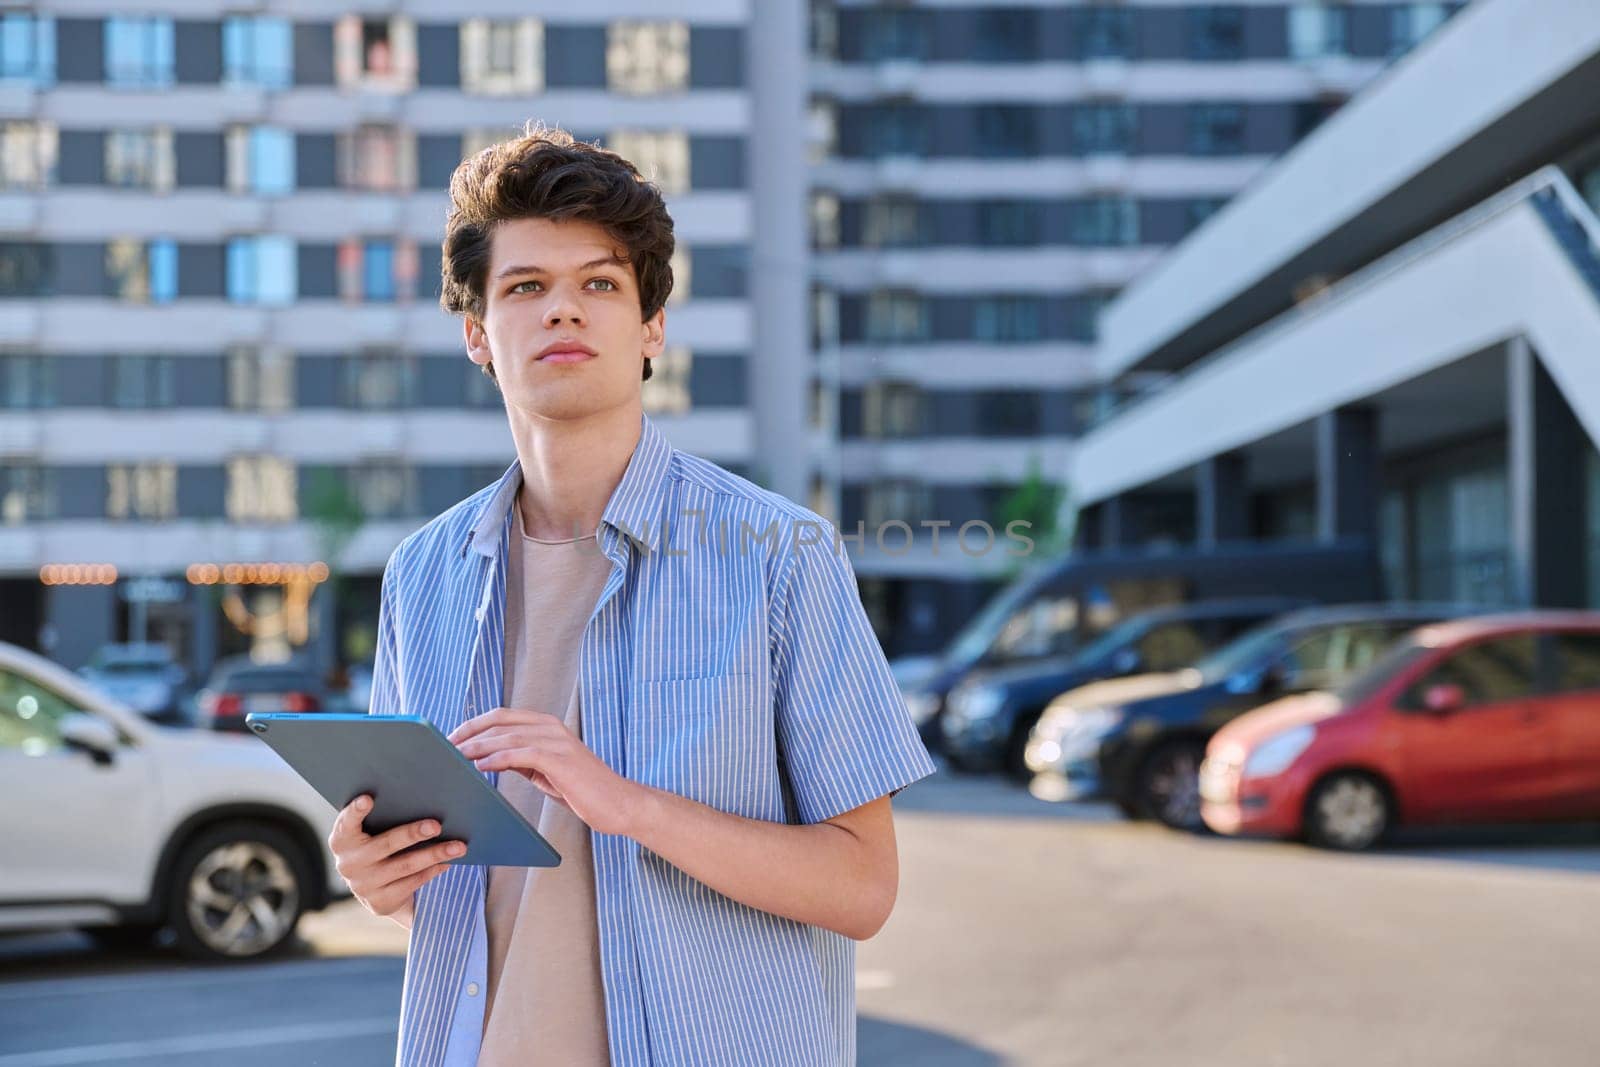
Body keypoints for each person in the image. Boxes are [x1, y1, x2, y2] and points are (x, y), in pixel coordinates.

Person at [326, 124, 936, 1066]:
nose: (563, 311)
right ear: (479, 335)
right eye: (526, 286)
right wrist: (377, 875)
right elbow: (426, 881)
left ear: (651, 326)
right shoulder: (422, 574)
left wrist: (624, 803)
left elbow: (863, 886)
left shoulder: (781, 553)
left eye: (600, 285)